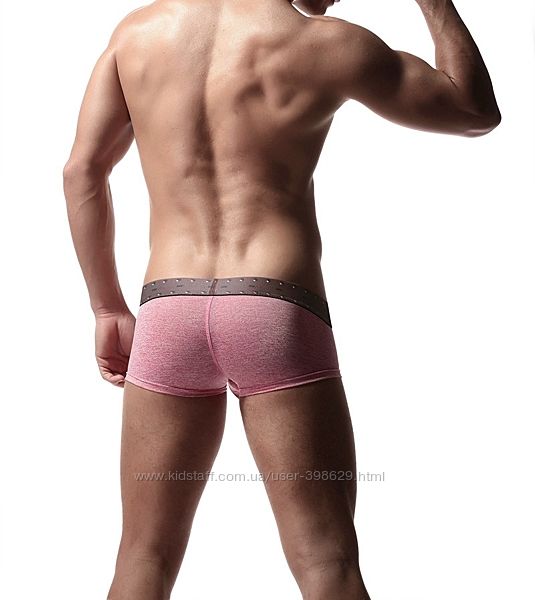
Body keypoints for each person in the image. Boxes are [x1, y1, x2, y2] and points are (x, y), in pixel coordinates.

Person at [63, 0, 500, 598]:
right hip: (274, 307)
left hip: (168, 307)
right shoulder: (328, 44)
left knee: (144, 556)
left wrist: (107, 307)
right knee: (326, 561)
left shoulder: (137, 32)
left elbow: (82, 172)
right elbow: (473, 110)